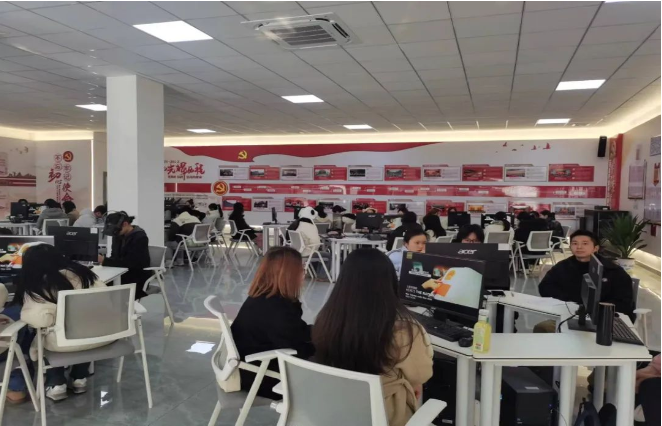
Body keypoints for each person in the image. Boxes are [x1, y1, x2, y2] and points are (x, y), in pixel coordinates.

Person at [313, 249, 434, 426]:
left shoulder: (327, 319)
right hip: (384, 415)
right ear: (389, 282)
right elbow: (421, 375)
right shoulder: (402, 329)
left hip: (335, 410)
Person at [17, 244, 110, 401]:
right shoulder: (86, 275)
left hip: (66, 343)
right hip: (101, 336)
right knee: (84, 326)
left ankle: (56, 383)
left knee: (45, 333)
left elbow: (40, 320)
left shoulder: (42, 284)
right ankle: (80, 378)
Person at [231, 247, 314, 400]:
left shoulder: (262, 297)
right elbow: (295, 348)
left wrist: (323, 332)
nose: (304, 273)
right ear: (289, 275)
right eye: (301, 269)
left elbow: (294, 332)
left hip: (249, 367)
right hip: (260, 377)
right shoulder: (277, 308)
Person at [538, 230, 633, 317]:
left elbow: (624, 301)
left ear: (595, 248)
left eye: (585, 243)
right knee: (543, 327)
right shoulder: (563, 266)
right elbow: (545, 287)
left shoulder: (612, 270)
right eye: (575, 243)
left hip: (606, 318)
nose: (579, 247)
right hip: (569, 313)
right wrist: (571, 302)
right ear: (570, 247)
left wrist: (597, 309)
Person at [100, 212, 151, 299]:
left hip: (135, 277)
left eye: (116, 231)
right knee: (98, 283)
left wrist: (104, 261)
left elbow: (130, 263)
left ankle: (115, 306)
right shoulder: (118, 235)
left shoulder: (140, 238)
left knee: (101, 287)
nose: (115, 234)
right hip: (121, 273)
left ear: (125, 224)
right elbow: (114, 256)